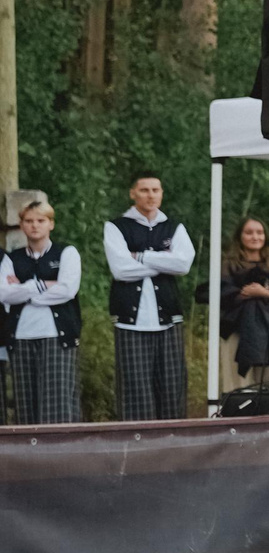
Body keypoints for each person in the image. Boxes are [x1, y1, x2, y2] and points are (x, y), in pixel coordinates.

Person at [104, 171, 196, 421]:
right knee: (135, 389)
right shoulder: (116, 226)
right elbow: (121, 269)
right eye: (144, 190)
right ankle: (138, 447)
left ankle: (171, 443)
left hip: (168, 318)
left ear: (162, 193)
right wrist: (164, 262)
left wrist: (141, 256)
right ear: (133, 193)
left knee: (171, 386)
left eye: (156, 190)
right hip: (130, 321)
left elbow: (183, 264)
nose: (151, 195)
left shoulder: (173, 227)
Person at [2, 199, 83, 423]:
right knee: (25, 402)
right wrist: (42, 285)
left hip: (56, 335)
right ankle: (29, 457)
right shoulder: (12, 258)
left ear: (51, 224)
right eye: (29, 221)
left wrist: (24, 289)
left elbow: (67, 290)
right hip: (21, 335)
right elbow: (4, 294)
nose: (35, 225)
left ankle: (61, 455)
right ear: (21, 225)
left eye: (41, 220)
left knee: (57, 401)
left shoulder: (66, 253)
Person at [218, 217, 269, 393]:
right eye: (249, 232)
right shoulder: (228, 264)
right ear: (240, 236)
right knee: (237, 380)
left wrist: (264, 294)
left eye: (259, 233)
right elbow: (221, 294)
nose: (255, 237)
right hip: (236, 322)